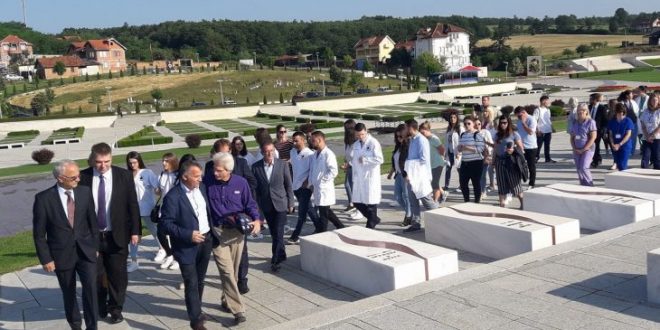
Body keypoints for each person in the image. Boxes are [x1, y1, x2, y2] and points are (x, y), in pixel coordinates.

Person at [33, 160, 99, 330]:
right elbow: (39, 234)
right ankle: (75, 325)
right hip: (61, 255)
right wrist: (46, 259)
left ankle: (92, 326)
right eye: (74, 177)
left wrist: (95, 247)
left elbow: (93, 222)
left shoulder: (84, 192)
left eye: (79, 175)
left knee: (91, 289)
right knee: (68, 292)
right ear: (61, 178)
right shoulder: (43, 199)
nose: (78, 179)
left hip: (86, 252)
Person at [79, 142, 140, 324]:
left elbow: (132, 205)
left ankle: (116, 308)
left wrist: (136, 231)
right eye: (99, 162)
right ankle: (100, 304)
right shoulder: (83, 177)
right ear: (93, 159)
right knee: (95, 275)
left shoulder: (124, 176)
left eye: (107, 161)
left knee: (117, 275)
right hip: (93, 237)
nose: (103, 166)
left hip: (117, 235)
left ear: (111, 158)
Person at [160, 160, 218, 330]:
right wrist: (188, 234)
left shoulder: (201, 188)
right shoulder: (173, 197)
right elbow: (165, 225)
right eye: (196, 176)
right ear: (185, 177)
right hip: (186, 247)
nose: (200, 179)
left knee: (200, 280)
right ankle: (196, 321)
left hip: (205, 241)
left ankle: (197, 309)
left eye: (200, 176)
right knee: (191, 282)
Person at [207, 152, 263, 325]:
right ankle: (238, 310)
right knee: (226, 271)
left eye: (218, 170)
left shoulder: (241, 183)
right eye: (214, 170)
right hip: (218, 233)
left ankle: (226, 299)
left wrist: (257, 220)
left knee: (234, 271)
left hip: (237, 234)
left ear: (228, 170)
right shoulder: (207, 182)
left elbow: (250, 204)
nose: (214, 173)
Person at [203, 138, 256, 294]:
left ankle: (242, 280)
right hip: (218, 229)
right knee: (227, 270)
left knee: (241, 256)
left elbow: (251, 186)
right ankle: (236, 307)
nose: (215, 171)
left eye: (226, 152)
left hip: (239, 224)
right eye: (220, 153)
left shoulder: (241, 165)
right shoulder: (209, 171)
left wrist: (252, 215)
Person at [252, 142, 295, 272]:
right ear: (262, 152)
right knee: (274, 232)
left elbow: (288, 185)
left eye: (271, 150)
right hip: (266, 205)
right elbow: (255, 190)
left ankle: (275, 260)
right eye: (266, 151)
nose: (269, 153)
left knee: (278, 232)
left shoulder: (282, 164)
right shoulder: (256, 167)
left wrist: (291, 203)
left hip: (281, 204)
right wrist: (257, 209)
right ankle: (281, 253)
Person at [125, 151, 163, 272]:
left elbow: (157, 187)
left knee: (154, 230)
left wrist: (159, 190)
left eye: (134, 162)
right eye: (130, 163)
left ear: (139, 161)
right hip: (132, 210)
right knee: (134, 235)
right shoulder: (126, 174)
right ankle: (134, 261)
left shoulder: (147, 172)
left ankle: (163, 249)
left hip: (147, 207)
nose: (132, 165)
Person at [403, 119, 439, 233]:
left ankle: (440, 218)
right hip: (412, 176)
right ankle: (416, 223)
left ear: (410, 128)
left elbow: (423, 160)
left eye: (405, 127)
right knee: (412, 200)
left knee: (426, 201)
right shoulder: (412, 140)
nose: (404, 130)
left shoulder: (421, 140)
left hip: (420, 176)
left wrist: (412, 172)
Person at [288, 131, 322, 244]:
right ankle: (320, 227)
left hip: (305, 187)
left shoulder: (310, 154)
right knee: (309, 209)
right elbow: (293, 167)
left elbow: (312, 171)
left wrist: (307, 183)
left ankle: (295, 236)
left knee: (301, 213)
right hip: (296, 186)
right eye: (293, 140)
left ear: (303, 140)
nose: (294, 142)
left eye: (296, 140)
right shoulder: (292, 152)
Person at [309, 131, 345, 232]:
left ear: (319, 140)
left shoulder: (328, 154)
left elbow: (334, 171)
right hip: (317, 188)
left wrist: (322, 180)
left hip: (324, 188)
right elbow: (313, 170)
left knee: (323, 214)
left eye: (313, 140)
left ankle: (321, 232)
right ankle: (340, 226)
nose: (311, 142)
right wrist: (311, 182)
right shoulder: (315, 154)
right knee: (326, 211)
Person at [350, 123, 384, 229]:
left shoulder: (373, 143)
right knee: (356, 201)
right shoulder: (355, 145)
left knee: (371, 201)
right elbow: (355, 161)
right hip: (359, 177)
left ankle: (370, 224)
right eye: (358, 135)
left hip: (370, 177)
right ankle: (374, 218)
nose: (360, 137)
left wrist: (366, 160)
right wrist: (350, 165)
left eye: (362, 134)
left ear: (366, 132)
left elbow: (380, 159)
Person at [493, 115, 526, 208]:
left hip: (510, 161)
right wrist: (493, 161)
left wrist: (513, 150)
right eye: (501, 123)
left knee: (515, 185)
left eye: (505, 123)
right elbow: (495, 149)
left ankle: (523, 204)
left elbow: (521, 148)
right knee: (501, 185)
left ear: (509, 123)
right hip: (499, 161)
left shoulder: (514, 134)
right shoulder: (497, 135)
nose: (503, 124)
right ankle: (502, 206)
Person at [155, 153, 179, 270]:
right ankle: (169, 254)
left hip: (175, 209)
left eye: (166, 161)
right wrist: (157, 190)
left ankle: (176, 259)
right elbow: (159, 192)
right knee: (161, 233)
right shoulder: (162, 174)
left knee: (174, 235)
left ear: (172, 162)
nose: (164, 163)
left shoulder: (178, 175)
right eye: (163, 161)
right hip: (164, 208)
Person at [457, 116, 487, 203]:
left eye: (468, 123)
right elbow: (460, 148)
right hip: (465, 163)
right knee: (463, 184)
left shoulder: (477, 135)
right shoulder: (463, 135)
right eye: (465, 124)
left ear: (473, 124)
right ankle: (466, 201)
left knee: (476, 183)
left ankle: (477, 202)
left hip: (476, 163)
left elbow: (480, 149)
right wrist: (459, 148)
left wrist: (466, 147)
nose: (466, 125)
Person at [388, 124, 413, 227]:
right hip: (398, 175)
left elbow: (410, 162)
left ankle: (408, 215)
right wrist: (391, 172)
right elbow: (395, 161)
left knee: (406, 196)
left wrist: (407, 174)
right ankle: (410, 212)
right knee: (398, 197)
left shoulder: (409, 146)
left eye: (400, 136)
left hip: (405, 175)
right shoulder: (398, 146)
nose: (398, 139)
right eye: (397, 137)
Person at [419, 121, 448, 203]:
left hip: (437, 164)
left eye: (422, 132)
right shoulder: (424, 139)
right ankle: (443, 193)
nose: (421, 134)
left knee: (434, 183)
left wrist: (441, 157)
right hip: (430, 165)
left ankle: (435, 201)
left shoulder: (434, 139)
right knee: (432, 182)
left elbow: (442, 149)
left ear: (427, 130)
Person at [570, 104, 598, 186]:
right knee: (579, 168)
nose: (579, 112)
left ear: (586, 111)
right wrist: (574, 148)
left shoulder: (590, 122)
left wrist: (583, 149)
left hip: (588, 149)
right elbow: (572, 138)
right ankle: (583, 185)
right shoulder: (575, 122)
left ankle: (590, 185)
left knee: (584, 167)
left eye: (581, 110)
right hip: (576, 149)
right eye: (578, 110)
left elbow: (593, 137)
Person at [340, 119, 363, 220]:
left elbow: (357, 157)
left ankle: (359, 209)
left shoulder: (357, 142)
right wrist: (346, 162)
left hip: (355, 168)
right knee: (350, 186)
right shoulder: (348, 141)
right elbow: (347, 154)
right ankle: (354, 205)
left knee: (355, 189)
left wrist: (348, 164)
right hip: (349, 167)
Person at [514, 106, 538, 189]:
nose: (519, 118)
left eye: (520, 116)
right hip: (521, 146)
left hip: (531, 147)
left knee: (531, 166)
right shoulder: (519, 121)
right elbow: (518, 132)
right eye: (517, 116)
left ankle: (531, 184)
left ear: (524, 112)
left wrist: (524, 123)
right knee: (519, 165)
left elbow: (531, 132)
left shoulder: (532, 119)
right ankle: (518, 182)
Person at [608, 103, 635, 171]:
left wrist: (619, 144)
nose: (621, 114)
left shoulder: (628, 121)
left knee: (622, 164)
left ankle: (624, 178)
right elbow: (610, 134)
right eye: (619, 112)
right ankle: (621, 178)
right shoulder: (612, 121)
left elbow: (628, 134)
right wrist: (612, 144)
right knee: (618, 163)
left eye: (622, 112)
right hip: (615, 145)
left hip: (625, 145)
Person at [639, 93, 660, 169]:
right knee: (645, 157)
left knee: (657, 158)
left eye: (656, 100)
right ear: (650, 101)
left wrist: (653, 135)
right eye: (652, 100)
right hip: (646, 138)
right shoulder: (646, 111)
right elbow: (642, 124)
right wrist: (647, 135)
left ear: (658, 101)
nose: (654, 102)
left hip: (657, 138)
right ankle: (643, 173)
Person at [588, 93, 609, 168]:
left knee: (596, 146)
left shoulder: (602, 108)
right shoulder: (589, 107)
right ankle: (598, 158)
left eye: (591, 99)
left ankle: (595, 161)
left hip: (598, 130)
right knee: (592, 145)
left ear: (595, 99)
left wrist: (604, 129)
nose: (589, 100)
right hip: (589, 130)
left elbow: (605, 120)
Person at [475, 118, 494, 200]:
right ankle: (480, 191)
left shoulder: (485, 132)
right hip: (475, 157)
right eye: (475, 124)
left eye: (478, 124)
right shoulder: (471, 134)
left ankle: (483, 192)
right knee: (477, 176)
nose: (477, 126)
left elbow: (491, 144)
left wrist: (488, 155)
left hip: (484, 156)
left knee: (482, 175)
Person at [443, 110, 462, 191]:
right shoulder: (449, 128)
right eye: (451, 117)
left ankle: (462, 185)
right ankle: (446, 185)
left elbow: (462, 140)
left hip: (456, 152)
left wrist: (459, 152)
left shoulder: (460, 128)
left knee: (459, 169)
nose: (452, 119)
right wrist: (445, 152)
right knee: (448, 168)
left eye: (454, 117)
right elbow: (446, 141)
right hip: (449, 151)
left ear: (457, 118)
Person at [534, 95, 556, 163]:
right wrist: (537, 130)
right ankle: (536, 157)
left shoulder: (548, 110)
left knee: (547, 146)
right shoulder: (537, 110)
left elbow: (548, 120)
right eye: (547, 100)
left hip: (548, 131)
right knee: (538, 145)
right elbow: (534, 121)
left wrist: (552, 127)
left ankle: (548, 158)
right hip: (541, 131)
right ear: (543, 101)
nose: (548, 102)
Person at [619, 90, 640, 157]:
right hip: (625, 124)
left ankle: (632, 151)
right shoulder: (621, 103)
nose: (632, 95)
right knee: (626, 137)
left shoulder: (633, 102)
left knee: (633, 138)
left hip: (634, 122)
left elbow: (637, 111)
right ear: (627, 95)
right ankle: (626, 150)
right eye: (631, 94)